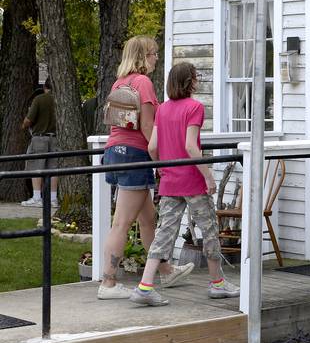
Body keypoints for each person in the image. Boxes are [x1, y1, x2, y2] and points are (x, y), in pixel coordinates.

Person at [130, 61, 239, 306]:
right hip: (192, 181)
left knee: (164, 234)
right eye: (196, 77)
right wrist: (208, 176)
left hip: (170, 182)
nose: (198, 80)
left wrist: (163, 168)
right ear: (190, 81)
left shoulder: (163, 109)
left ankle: (145, 286)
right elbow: (191, 146)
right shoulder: (194, 107)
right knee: (209, 229)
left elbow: (152, 147)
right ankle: (217, 283)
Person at [98, 35, 193, 300]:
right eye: (153, 54)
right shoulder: (143, 82)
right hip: (135, 155)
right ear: (143, 56)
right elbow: (148, 127)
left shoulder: (120, 82)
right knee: (122, 222)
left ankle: (165, 270)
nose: (156, 58)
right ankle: (108, 283)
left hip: (115, 153)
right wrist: (162, 162)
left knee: (148, 219)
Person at [21, 77, 59, 209]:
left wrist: (24, 125)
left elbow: (29, 120)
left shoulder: (40, 99)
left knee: (36, 167)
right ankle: (53, 199)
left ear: (44, 87)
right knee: (53, 169)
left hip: (39, 137)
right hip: (55, 138)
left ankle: (37, 197)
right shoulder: (59, 100)